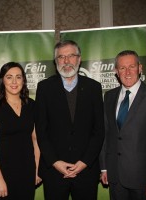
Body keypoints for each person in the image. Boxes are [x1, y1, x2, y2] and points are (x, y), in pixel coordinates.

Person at [35, 40, 105, 200]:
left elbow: (99, 131)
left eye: (71, 56)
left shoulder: (94, 88)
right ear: (56, 61)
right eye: (61, 57)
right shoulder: (44, 88)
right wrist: (55, 162)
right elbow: (41, 131)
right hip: (54, 171)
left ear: (79, 59)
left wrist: (84, 162)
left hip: (86, 170)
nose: (66, 61)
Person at [100, 50, 146, 200]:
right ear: (116, 71)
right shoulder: (109, 96)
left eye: (131, 66)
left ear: (140, 68)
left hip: (143, 179)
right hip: (115, 176)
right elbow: (106, 135)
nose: (127, 72)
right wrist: (104, 167)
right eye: (122, 68)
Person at [0, 62, 42, 200]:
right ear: (2, 80)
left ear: (24, 80)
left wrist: (37, 170)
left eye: (18, 77)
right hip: (2, 171)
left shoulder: (31, 105)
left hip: (27, 170)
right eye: (9, 77)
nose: (14, 81)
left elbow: (36, 139)